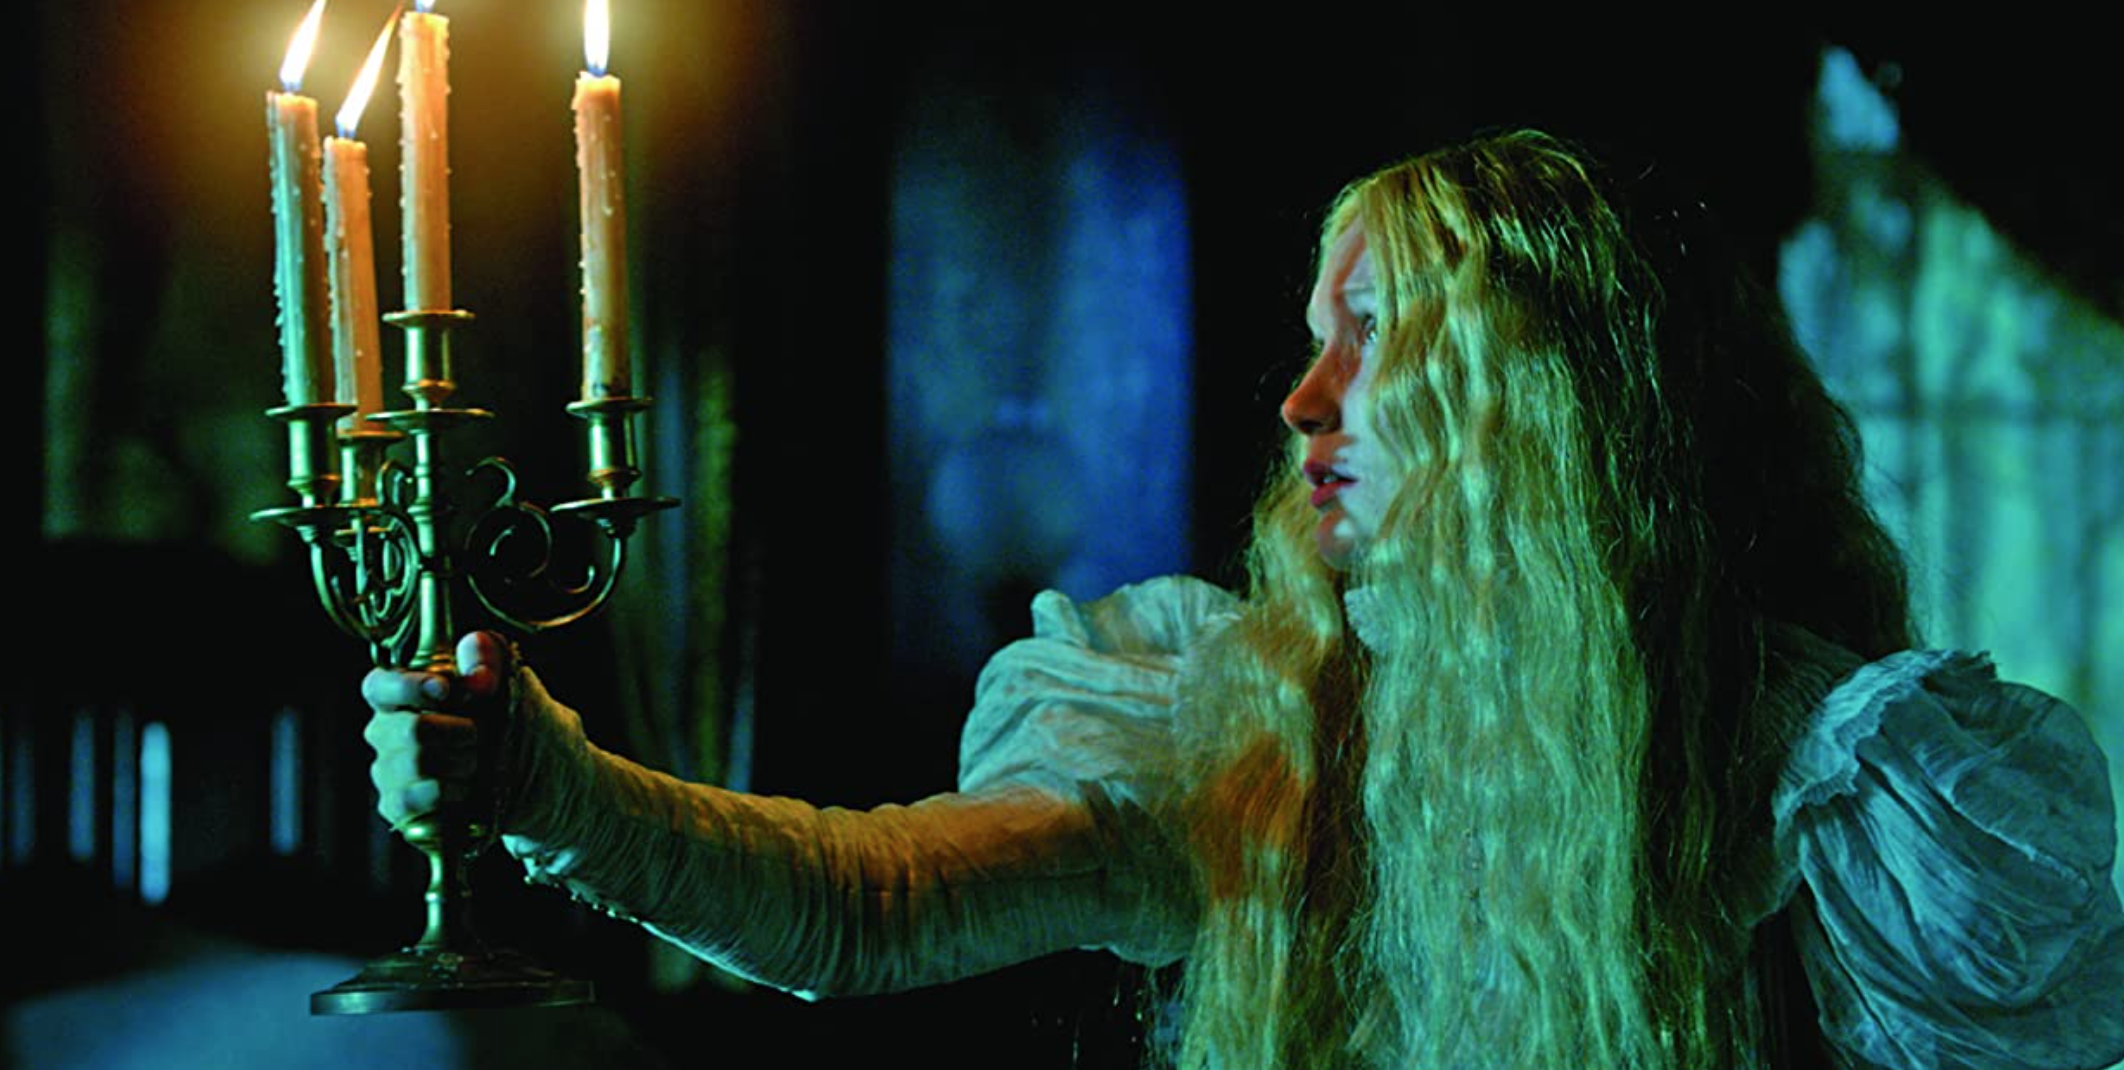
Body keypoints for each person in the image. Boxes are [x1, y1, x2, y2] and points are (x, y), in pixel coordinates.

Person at [364, 130, 2124, 1069]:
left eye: (1374, 338)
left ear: (1533, 395)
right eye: (1307, 338)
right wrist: (551, 786)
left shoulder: (1832, 776)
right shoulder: (1249, 712)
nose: (1302, 403)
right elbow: (869, 904)